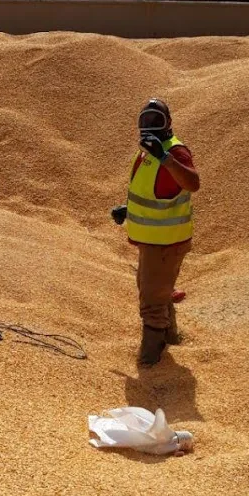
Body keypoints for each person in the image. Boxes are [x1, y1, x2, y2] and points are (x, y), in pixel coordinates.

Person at [111, 98, 200, 367]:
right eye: (145, 120)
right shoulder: (146, 153)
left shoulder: (174, 152)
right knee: (156, 290)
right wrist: (129, 209)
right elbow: (155, 192)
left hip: (166, 243)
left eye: (155, 120)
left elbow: (192, 183)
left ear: (168, 123)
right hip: (153, 241)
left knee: (151, 301)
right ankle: (171, 337)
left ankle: (151, 359)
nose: (149, 126)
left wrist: (165, 158)